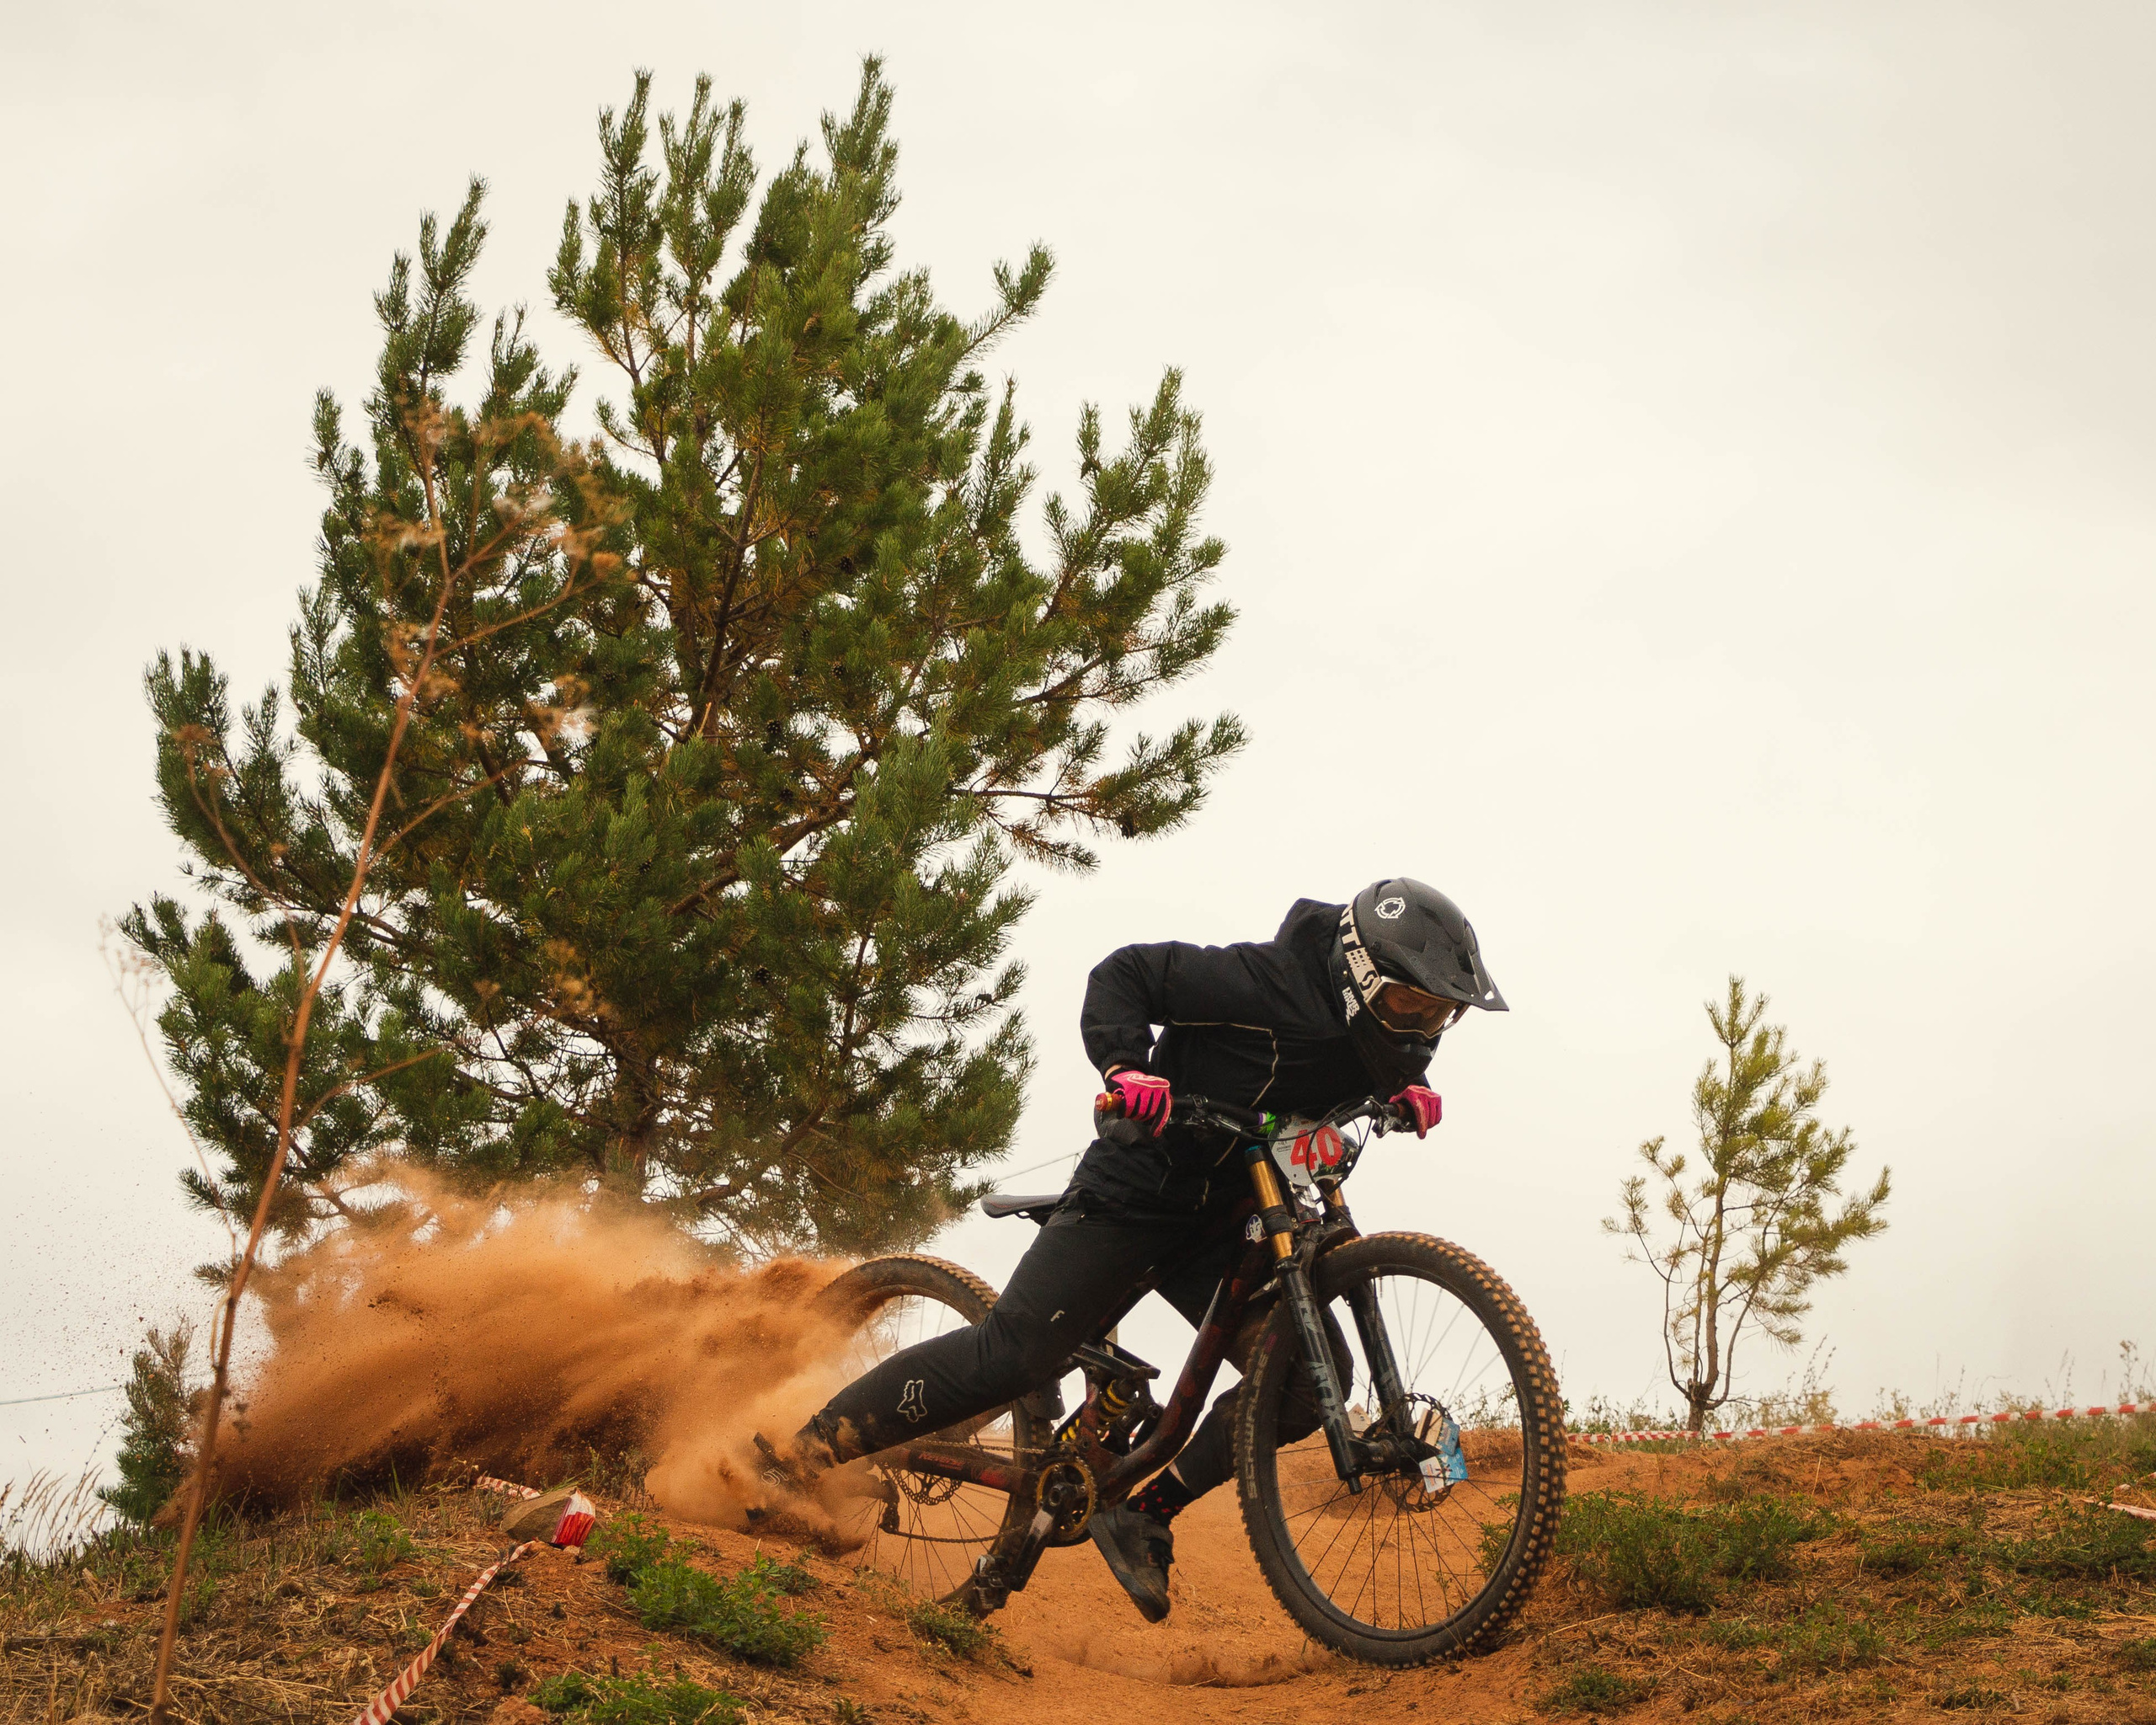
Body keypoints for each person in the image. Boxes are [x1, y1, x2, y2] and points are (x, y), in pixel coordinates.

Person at [759, 878, 1507, 1621]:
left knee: (1308, 1389)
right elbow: (1127, 974)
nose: (1421, 1027)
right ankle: (798, 1458)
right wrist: (1128, 1067)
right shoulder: (1262, 982)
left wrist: (1407, 1086)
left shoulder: (1380, 1032)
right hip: (1137, 1192)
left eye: (1439, 1014)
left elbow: (1376, 1057)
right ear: (1358, 973)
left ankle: (1145, 1509)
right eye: (1410, 1005)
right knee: (1014, 1356)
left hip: (1231, 1217)